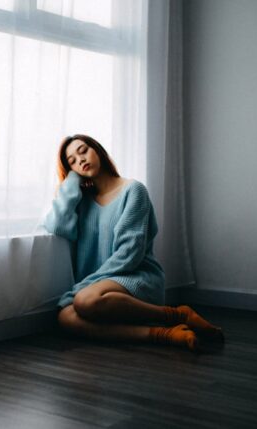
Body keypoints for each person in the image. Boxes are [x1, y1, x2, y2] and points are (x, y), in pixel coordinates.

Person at [43, 134, 224, 352]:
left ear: (98, 150)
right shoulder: (83, 202)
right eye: (72, 161)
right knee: (65, 317)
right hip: (98, 289)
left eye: (83, 151)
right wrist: (72, 180)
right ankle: (161, 334)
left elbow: (130, 253)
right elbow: (57, 225)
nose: (80, 160)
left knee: (84, 301)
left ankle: (176, 314)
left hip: (135, 276)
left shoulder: (133, 191)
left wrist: (83, 288)